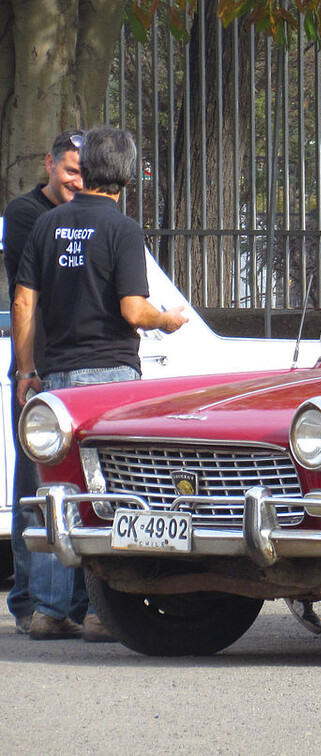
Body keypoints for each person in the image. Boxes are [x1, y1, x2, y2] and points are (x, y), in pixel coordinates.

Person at [11, 126, 188, 641]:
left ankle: (46, 610)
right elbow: (132, 309)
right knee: (107, 491)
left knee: (57, 487)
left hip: (56, 376)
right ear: (127, 176)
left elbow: (24, 302)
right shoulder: (123, 230)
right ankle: (97, 611)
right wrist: (167, 320)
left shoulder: (49, 225)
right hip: (110, 377)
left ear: (85, 170)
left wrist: (27, 373)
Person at [3, 131, 84, 639]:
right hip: (38, 367)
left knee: (73, 485)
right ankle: (29, 602)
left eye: (85, 174)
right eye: (70, 171)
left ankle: (68, 605)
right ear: (49, 164)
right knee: (34, 487)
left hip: (73, 363)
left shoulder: (77, 216)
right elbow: (37, 291)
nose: (77, 182)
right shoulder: (26, 213)